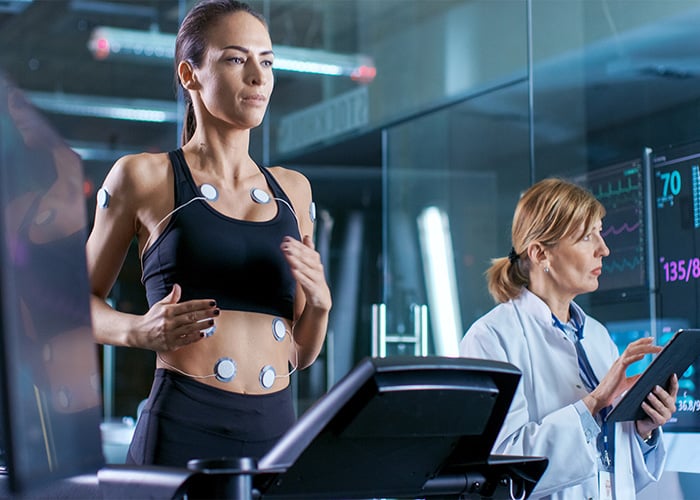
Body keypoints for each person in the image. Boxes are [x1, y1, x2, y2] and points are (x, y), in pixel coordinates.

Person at [85, 0, 331, 466]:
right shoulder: (143, 176)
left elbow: (301, 354)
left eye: (267, 61)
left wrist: (320, 304)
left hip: (276, 432)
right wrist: (139, 331)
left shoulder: (293, 191)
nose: (258, 77)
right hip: (184, 424)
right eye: (237, 59)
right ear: (190, 75)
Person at [459, 178, 678, 499]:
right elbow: (499, 469)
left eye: (601, 233)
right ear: (540, 254)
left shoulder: (597, 336)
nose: (604, 249)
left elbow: (606, 464)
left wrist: (643, 429)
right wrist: (594, 402)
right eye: (587, 237)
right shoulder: (490, 339)